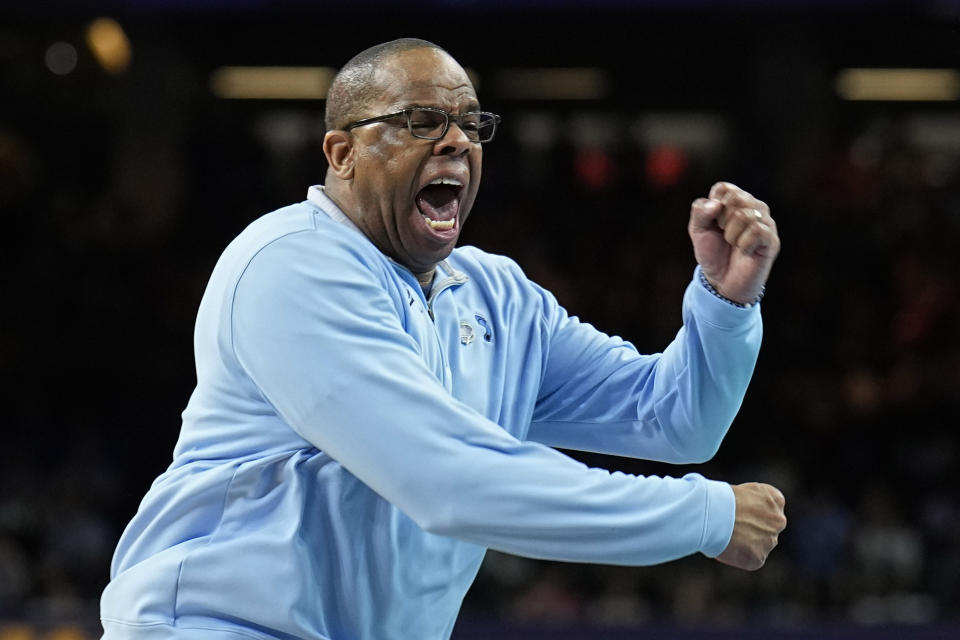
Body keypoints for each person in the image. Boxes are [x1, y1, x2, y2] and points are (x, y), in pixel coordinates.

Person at [100, 38, 786, 639]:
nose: (456, 140)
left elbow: (675, 421)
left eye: (470, 123)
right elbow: (447, 481)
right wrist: (704, 514)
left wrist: (726, 304)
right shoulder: (289, 264)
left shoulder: (499, 296)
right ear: (341, 152)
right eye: (421, 121)